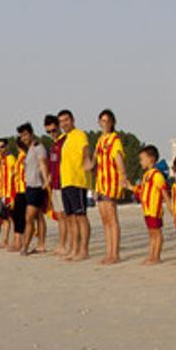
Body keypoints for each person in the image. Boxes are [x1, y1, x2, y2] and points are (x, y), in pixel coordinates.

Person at [58, 109, 94, 261]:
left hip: (77, 180)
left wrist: (87, 160)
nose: (64, 124)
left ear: (72, 120)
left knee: (81, 216)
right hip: (65, 181)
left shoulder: (79, 134)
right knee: (71, 218)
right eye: (61, 121)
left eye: (66, 120)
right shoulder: (64, 139)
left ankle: (84, 250)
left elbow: (85, 149)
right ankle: (74, 248)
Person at [94, 109, 129, 265]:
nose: (105, 124)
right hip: (100, 183)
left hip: (111, 182)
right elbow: (94, 162)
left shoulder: (115, 140)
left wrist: (123, 177)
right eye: (102, 121)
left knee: (112, 219)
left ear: (112, 122)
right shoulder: (100, 140)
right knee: (105, 220)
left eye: (107, 121)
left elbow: (119, 159)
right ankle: (109, 252)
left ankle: (115, 253)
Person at [17, 122, 50, 256]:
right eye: (21, 136)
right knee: (39, 217)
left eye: (25, 134)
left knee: (29, 218)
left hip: (37, 187)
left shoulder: (38, 147)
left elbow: (43, 164)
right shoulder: (30, 148)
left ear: (31, 133)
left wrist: (46, 182)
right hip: (30, 187)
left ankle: (25, 246)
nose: (23, 138)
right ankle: (41, 245)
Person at [135, 145, 169, 264]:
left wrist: (170, 206)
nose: (140, 162)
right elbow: (141, 190)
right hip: (147, 210)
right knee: (151, 233)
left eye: (142, 159)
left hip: (155, 209)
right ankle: (151, 255)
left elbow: (163, 191)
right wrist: (128, 186)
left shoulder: (156, 175)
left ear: (151, 159)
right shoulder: (146, 175)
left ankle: (157, 256)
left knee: (157, 233)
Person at [44, 114, 69, 257]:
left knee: (66, 217)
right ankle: (62, 244)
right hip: (54, 185)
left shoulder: (65, 141)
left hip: (64, 183)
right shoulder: (53, 145)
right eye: (48, 132)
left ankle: (68, 245)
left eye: (53, 130)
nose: (51, 134)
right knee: (60, 216)